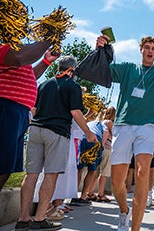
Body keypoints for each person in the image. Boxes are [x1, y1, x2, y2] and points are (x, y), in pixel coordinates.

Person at [96, 32, 154, 231]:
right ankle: (123, 211)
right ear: (141, 50)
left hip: (147, 127)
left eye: (153, 49)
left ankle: (135, 228)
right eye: (147, 48)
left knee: (143, 172)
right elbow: (103, 68)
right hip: (123, 124)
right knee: (118, 181)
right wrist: (100, 48)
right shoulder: (128, 68)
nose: (150, 51)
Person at [15, 56, 97, 230]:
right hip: (57, 132)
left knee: (31, 175)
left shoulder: (44, 84)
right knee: (51, 175)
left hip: (36, 130)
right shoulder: (73, 86)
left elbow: (34, 108)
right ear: (72, 69)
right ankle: (39, 219)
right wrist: (89, 133)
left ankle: (23, 219)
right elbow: (75, 112)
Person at [0, 42, 57, 191]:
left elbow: (30, 74)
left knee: (6, 166)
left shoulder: (15, 55)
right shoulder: (6, 49)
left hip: (17, 112)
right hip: (6, 108)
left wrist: (45, 62)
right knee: (2, 164)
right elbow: (19, 58)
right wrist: (48, 39)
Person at [87, 106, 116, 203]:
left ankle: (90, 192)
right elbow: (116, 134)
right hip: (106, 148)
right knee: (104, 173)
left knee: (95, 172)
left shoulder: (101, 122)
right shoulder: (109, 123)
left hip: (99, 148)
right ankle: (101, 194)